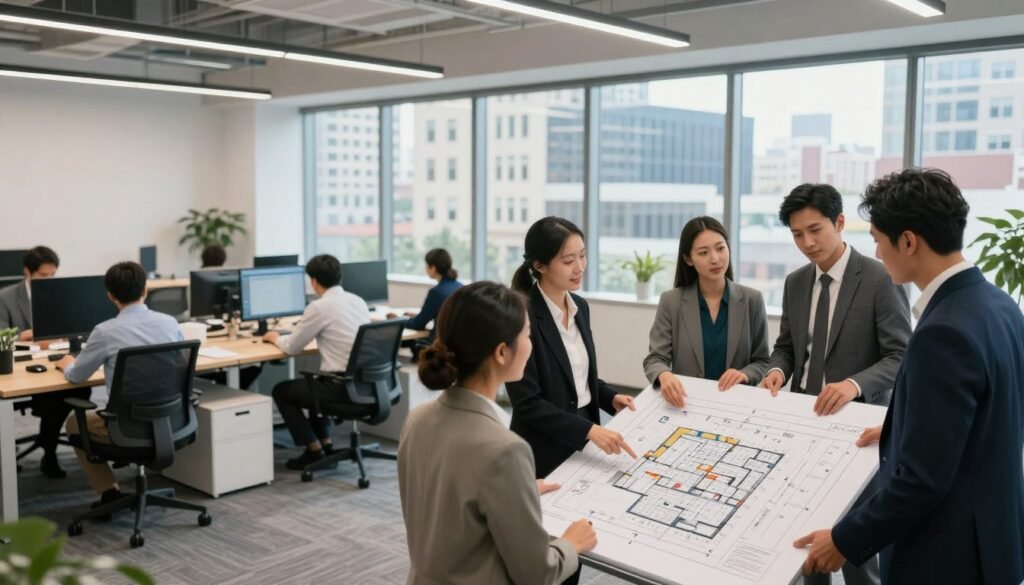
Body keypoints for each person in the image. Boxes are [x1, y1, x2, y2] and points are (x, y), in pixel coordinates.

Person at [795, 168, 1024, 585]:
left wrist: (843, 540)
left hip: (947, 557)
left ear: (908, 241)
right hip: (993, 542)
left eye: (879, 240)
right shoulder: (1000, 305)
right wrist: (900, 427)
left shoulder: (943, 332)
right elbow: (985, 421)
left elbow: (921, 481)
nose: (877, 253)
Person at [761, 184, 911, 585]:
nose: (807, 243)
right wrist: (777, 371)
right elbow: (786, 347)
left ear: (840, 222)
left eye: (815, 230)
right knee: (807, 540)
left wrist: (853, 384)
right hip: (803, 423)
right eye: (797, 234)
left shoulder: (880, 277)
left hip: (856, 430)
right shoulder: (795, 282)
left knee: (856, 549)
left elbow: (902, 356)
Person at [399, 281, 597, 585]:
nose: (531, 344)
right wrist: (572, 543)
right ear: (502, 352)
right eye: (528, 335)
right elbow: (537, 574)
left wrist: (516, 491)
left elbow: (452, 504)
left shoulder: (417, 418)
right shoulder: (505, 450)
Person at [507, 217, 638, 480]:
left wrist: (610, 398)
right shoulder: (521, 316)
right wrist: (587, 430)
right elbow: (527, 403)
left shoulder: (580, 307)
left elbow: (577, 375)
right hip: (542, 448)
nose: (579, 267)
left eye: (582, 256)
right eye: (568, 261)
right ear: (539, 265)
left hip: (584, 438)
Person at [57, 262, 184, 509]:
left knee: (74, 421)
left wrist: (66, 363)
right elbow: (177, 365)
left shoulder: (105, 331)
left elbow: (77, 377)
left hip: (125, 427)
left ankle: (109, 491)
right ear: (145, 289)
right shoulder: (169, 323)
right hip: (170, 420)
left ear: (110, 295)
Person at [644, 216, 770, 407]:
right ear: (688, 259)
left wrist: (745, 374)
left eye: (720, 248)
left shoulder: (752, 300)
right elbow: (655, 359)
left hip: (736, 404)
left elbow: (762, 360)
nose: (715, 259)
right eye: (703, 253)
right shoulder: (671, 301)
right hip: (687, 404)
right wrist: (664, 374)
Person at [265, 254, 370, 470]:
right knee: (316, 380)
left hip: (342, 388)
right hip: (367, 385)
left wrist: (274, 337)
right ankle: (326, 444)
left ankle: (313, 450)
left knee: (282, 391)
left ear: (313, 281)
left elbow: (292, 347)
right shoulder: (358, 300)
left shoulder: (319, 307)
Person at [0, 246, 89, 479]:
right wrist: (24, 335)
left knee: (80, 387)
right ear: (27, 272)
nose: (48, 280)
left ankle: (49, 447)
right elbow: (1, 336)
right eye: (43, 275)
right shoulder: (6, 297)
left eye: (52, 275)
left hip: (55, 360)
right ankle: (44, 448)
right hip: (20, 369)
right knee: (54, 397)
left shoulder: (61, 295)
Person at [387, 248, 462, 360]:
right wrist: (419, 315)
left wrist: (397, 319)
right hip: (455, 346)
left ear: (433, 268)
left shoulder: (436, 292)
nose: (425, 269)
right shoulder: (460, 287)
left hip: (437, 346)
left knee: (402, 344)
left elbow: (418, 324)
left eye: (427, 266)